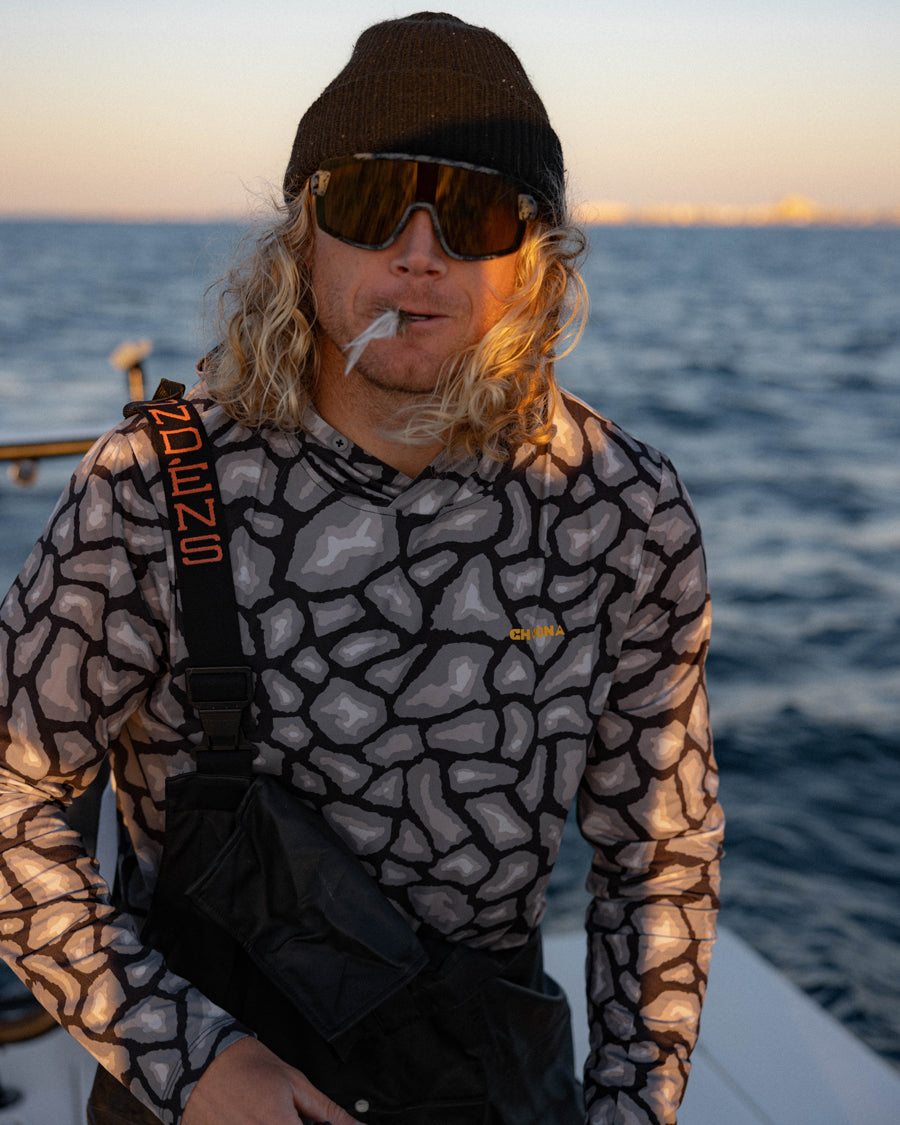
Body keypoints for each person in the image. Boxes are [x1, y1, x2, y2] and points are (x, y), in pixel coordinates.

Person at [0, 12, 723, 1125]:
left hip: (480, 1077)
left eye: (474, 213)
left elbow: (660, 859)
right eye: (373, 201)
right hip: (194, 1075)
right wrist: (187, 1059)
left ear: (534, 263)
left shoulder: (622, 511)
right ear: (302, 239)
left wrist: (631, 1109)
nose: (418, 252)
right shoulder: (149, 487)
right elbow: (13, 796)